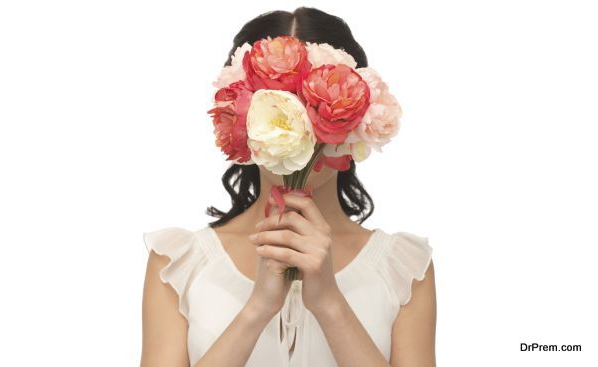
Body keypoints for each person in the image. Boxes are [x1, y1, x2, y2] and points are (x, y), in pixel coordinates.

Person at [140, 7, 436, 367]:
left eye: (315, 109)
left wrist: (329, 302)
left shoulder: (404, 268)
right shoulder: (178, 264)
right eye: (280, 110)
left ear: (355, 116)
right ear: (242, 119)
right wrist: (258, 308)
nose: (301, 136)